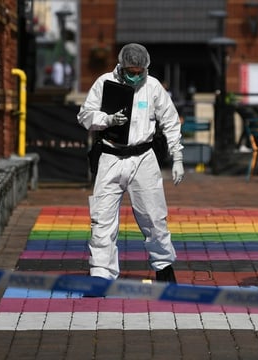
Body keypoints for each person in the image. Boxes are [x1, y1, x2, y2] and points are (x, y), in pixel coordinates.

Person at [77, 43, 184, 284]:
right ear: (121, 67)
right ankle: (101, 274)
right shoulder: (104, 83)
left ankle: (164, 267)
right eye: (131, 71)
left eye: (140, 71)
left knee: (154, 217)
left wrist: (177, 156)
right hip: (110, 156)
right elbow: (85, 115)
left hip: (143, 158)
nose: (135, 76)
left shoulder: (153, 86)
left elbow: (170, 121)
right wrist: (107, 119)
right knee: (102, 219)